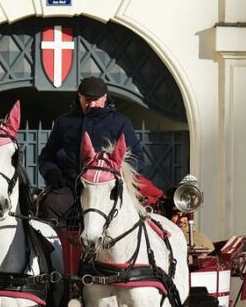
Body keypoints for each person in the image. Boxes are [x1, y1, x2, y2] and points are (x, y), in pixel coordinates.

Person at [37, 76, 163, 210]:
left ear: (104, 97)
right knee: (50, 204)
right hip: (69, 189)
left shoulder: (120, 123)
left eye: (95, 100)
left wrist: (116, 173)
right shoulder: (64, 122)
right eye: (87, 100)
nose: (91, 105)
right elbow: (46, 156)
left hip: (108, 190)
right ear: (79, 97)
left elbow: (137, 158)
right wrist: (51, 172)